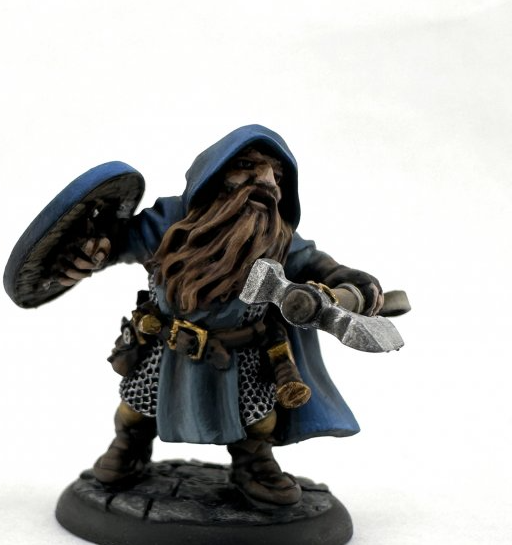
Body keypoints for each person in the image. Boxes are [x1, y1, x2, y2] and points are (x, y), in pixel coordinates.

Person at [53, 125, 384, 505]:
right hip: (168, 345)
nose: (266, 181)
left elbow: (320, 266)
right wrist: (90, 249)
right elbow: (119, 240)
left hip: (240, 350)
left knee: (257, 418)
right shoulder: (171, 219)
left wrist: (350, 283)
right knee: (136, 407)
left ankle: (254, 464)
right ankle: (129, 448)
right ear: (215, 172)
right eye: (247, 166)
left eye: (276, 176)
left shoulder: (279, 239)